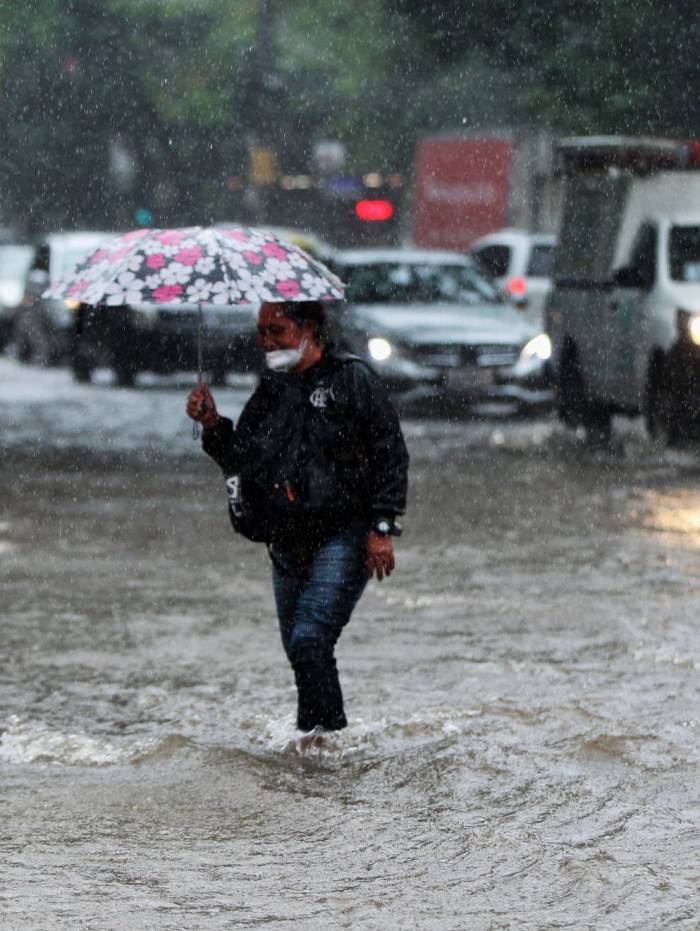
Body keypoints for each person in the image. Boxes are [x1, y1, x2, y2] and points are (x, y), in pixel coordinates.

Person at [186, 300, 409, 744]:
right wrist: (211, 423)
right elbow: (242, 457)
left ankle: (328, 747)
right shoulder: (271, 388)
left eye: (277, 330)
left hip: (344, 534)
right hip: (286, 541)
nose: (266, 341)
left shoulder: (352, 379)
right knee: (300, 650)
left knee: (310, 639)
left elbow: (390, 455)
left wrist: (382, 527)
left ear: (309, 329)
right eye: (261, 331)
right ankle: (315, 744)